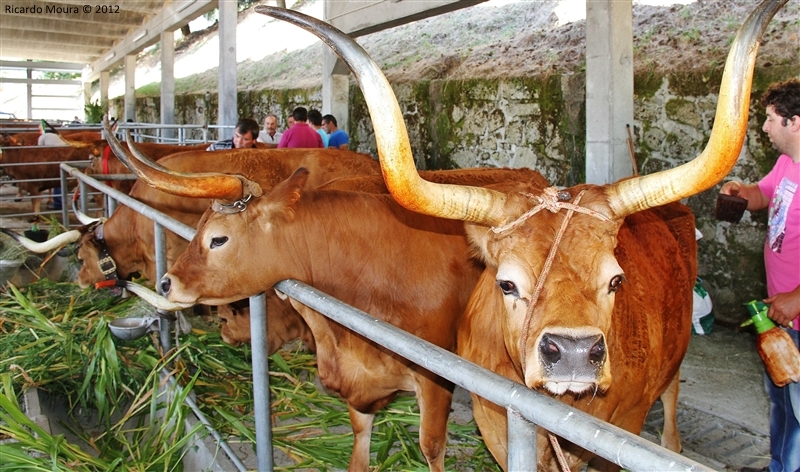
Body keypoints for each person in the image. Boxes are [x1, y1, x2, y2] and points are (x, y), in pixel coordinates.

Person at [720, 79, 800, 472]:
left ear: (795, 122)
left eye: (770, 119)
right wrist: (741, 192)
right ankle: (779, 468)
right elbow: (764, 194)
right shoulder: (788, 164)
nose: (765, 128)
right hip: (779, 315)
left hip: (796, 313)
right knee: (782, 401)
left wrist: (797, 298)